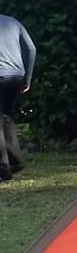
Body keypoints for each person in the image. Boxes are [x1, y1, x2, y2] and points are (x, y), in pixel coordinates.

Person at [0, 11, 35, 181]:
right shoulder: (13, 22)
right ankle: (15, 161)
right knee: (4, 117)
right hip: (16, 75)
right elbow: (31, 48)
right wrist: (26, 79)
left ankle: (4, 168)